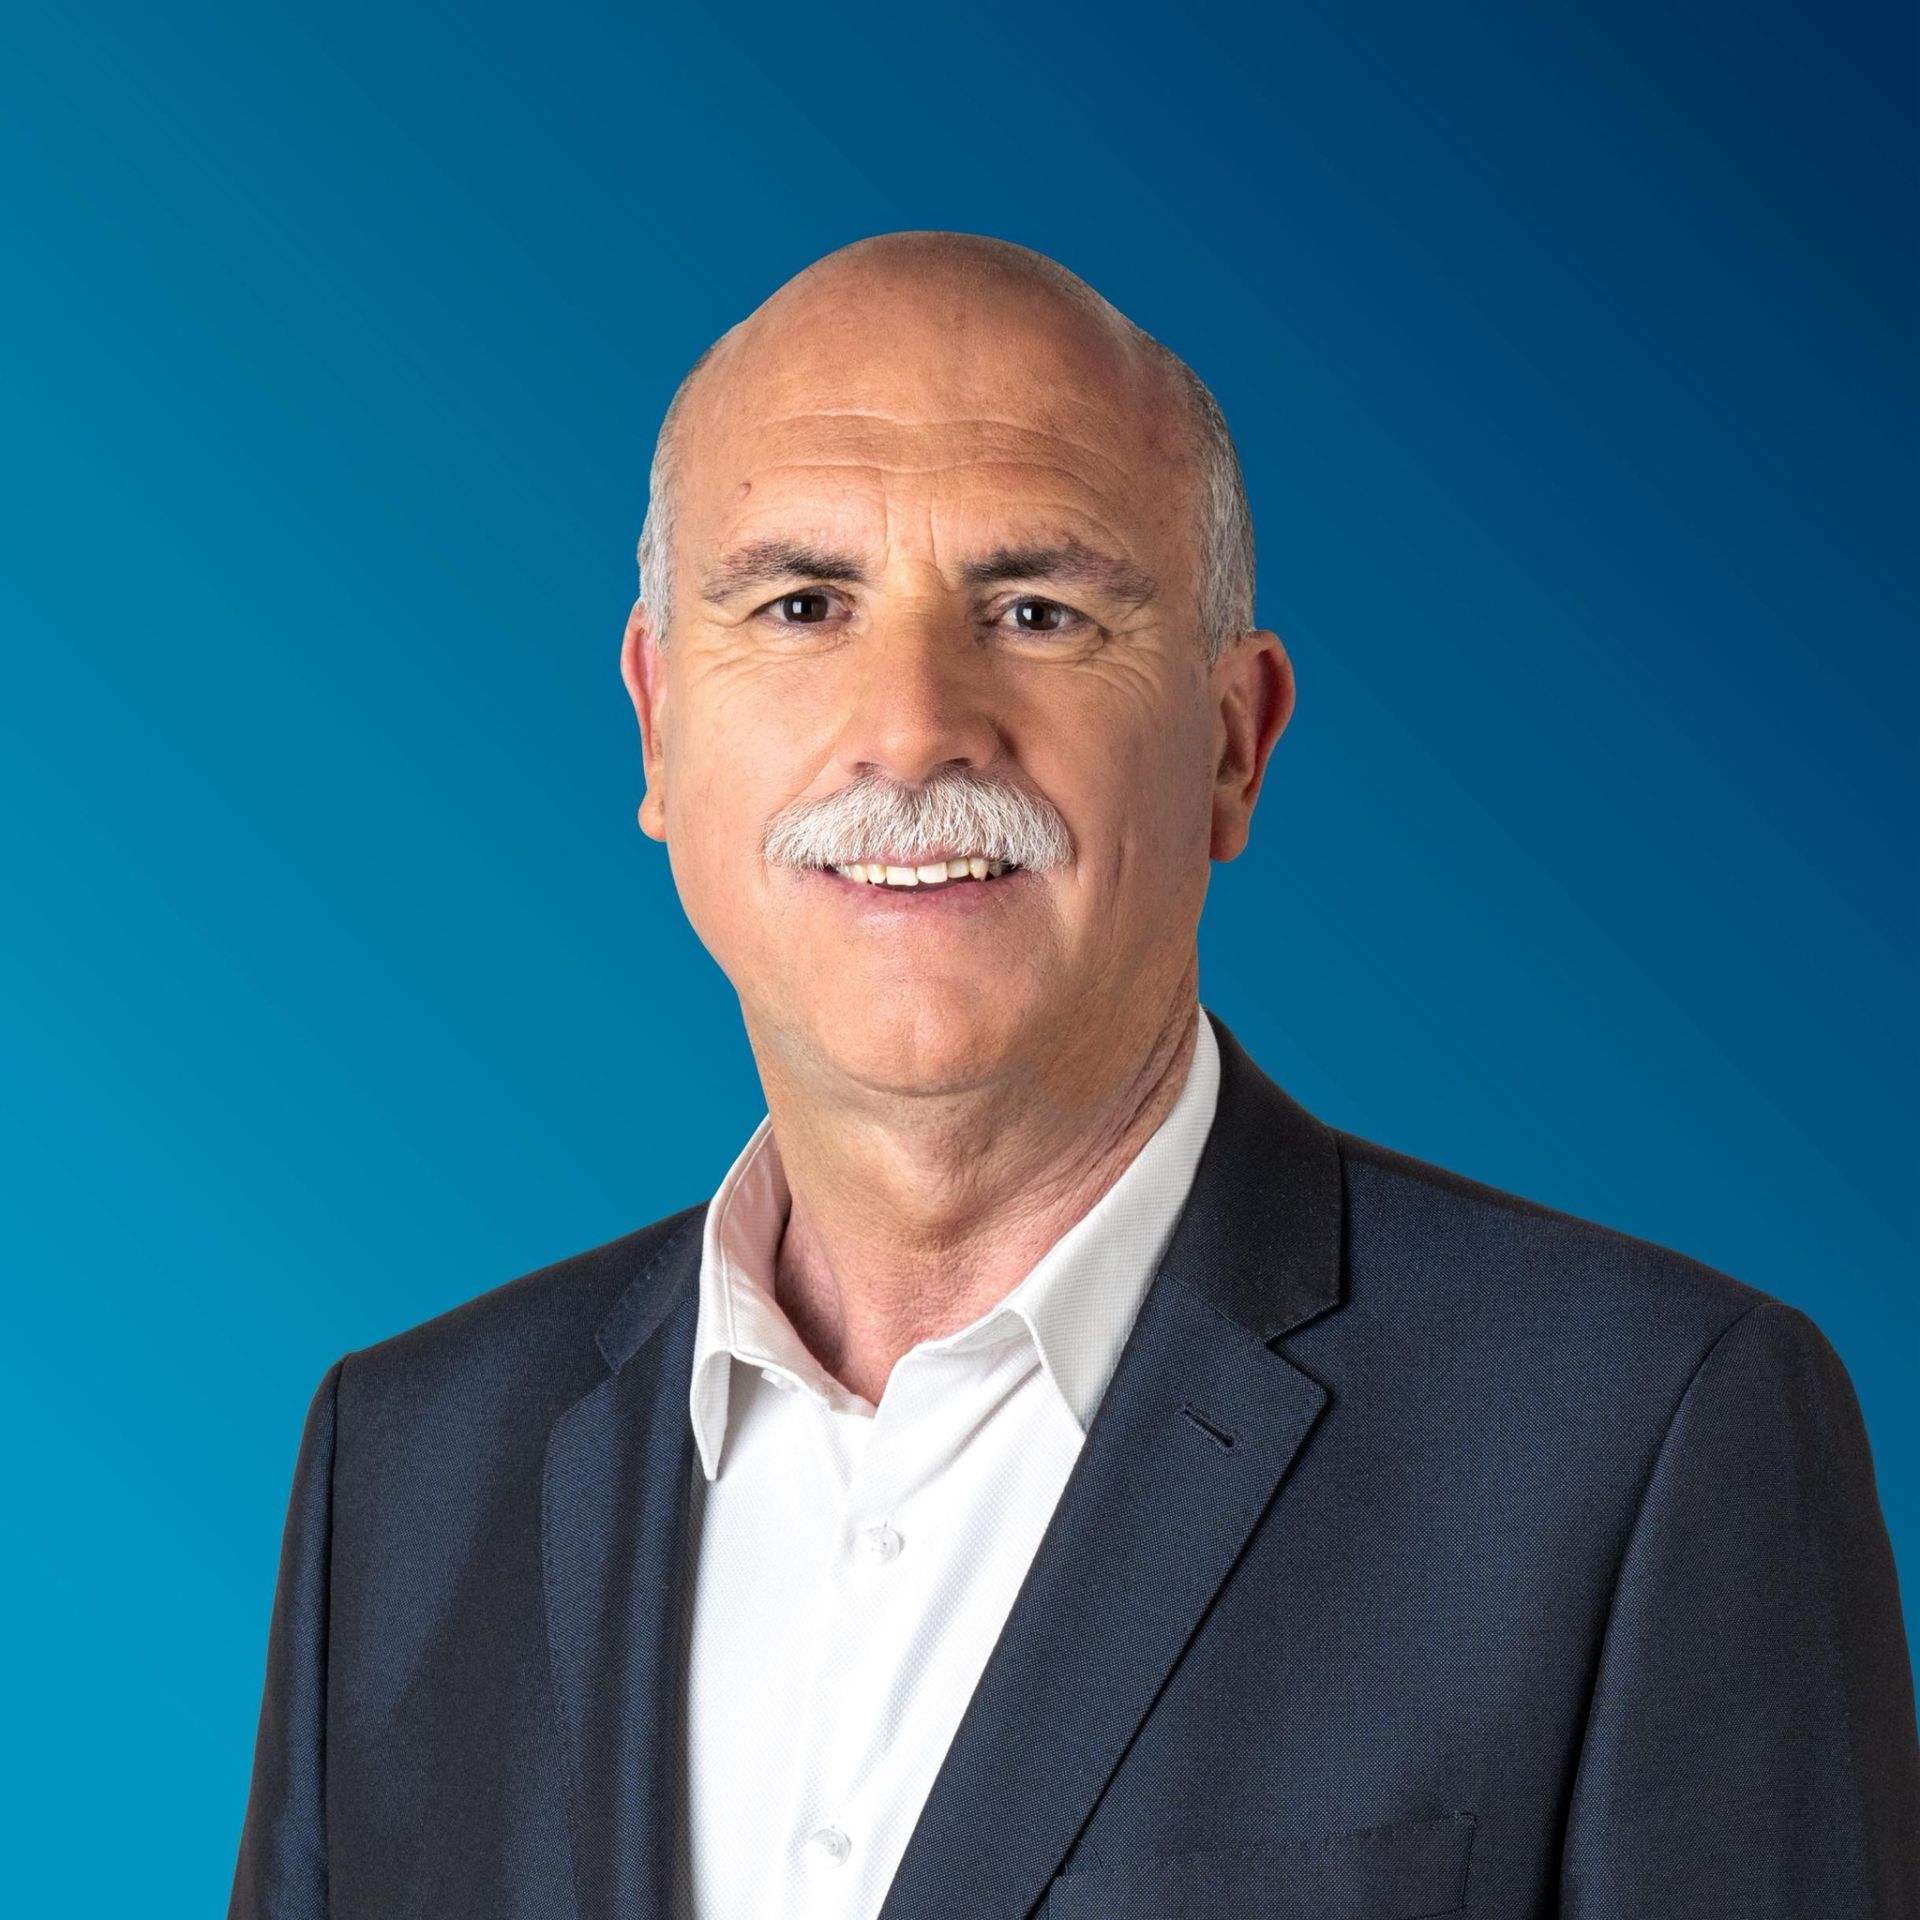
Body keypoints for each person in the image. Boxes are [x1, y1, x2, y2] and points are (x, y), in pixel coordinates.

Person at [228, 230, 1919, 1920]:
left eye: (1035, 612)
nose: (913, 725)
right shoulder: (407, 1471)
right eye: (803, 606)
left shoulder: (1643, 1444)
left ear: (1233, 743)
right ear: (659, 722)